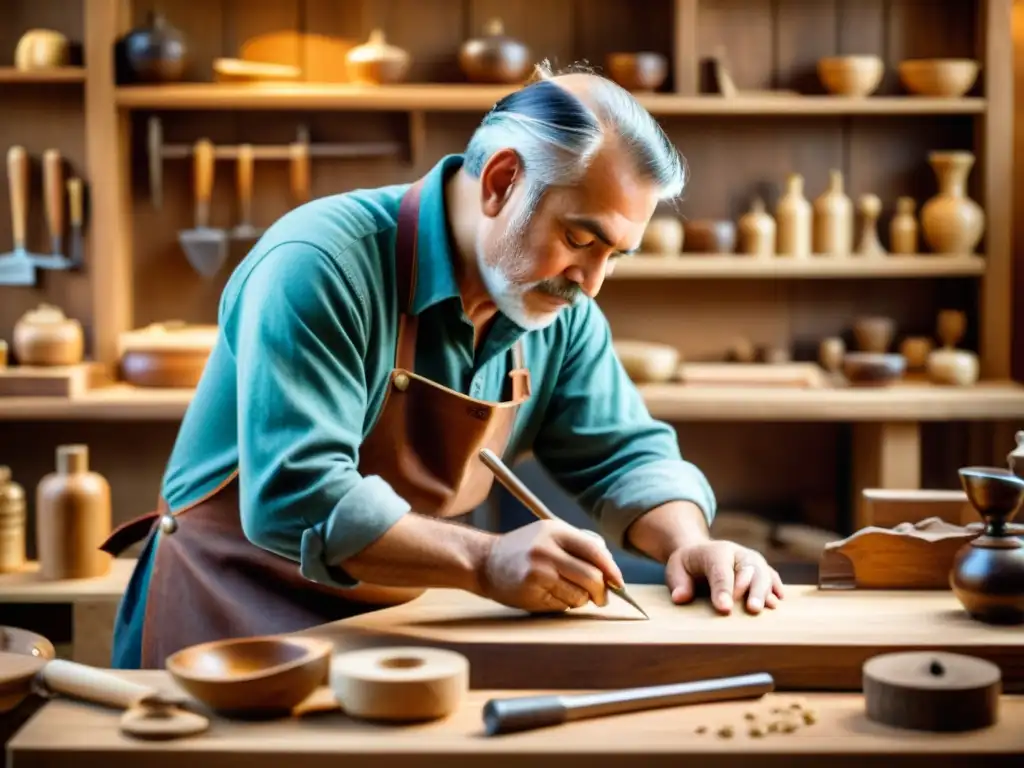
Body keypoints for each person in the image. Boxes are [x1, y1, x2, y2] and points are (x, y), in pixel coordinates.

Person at [103, 63, 784, 670]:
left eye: (616, 256)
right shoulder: (319, 264)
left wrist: (687, 544)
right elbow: (297, 495)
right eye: (581, 238)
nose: (594, 283)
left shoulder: (556, 308)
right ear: (501, 181)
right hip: (228, 624)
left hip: (395, 629)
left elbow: (624, 455)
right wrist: (485, 561)